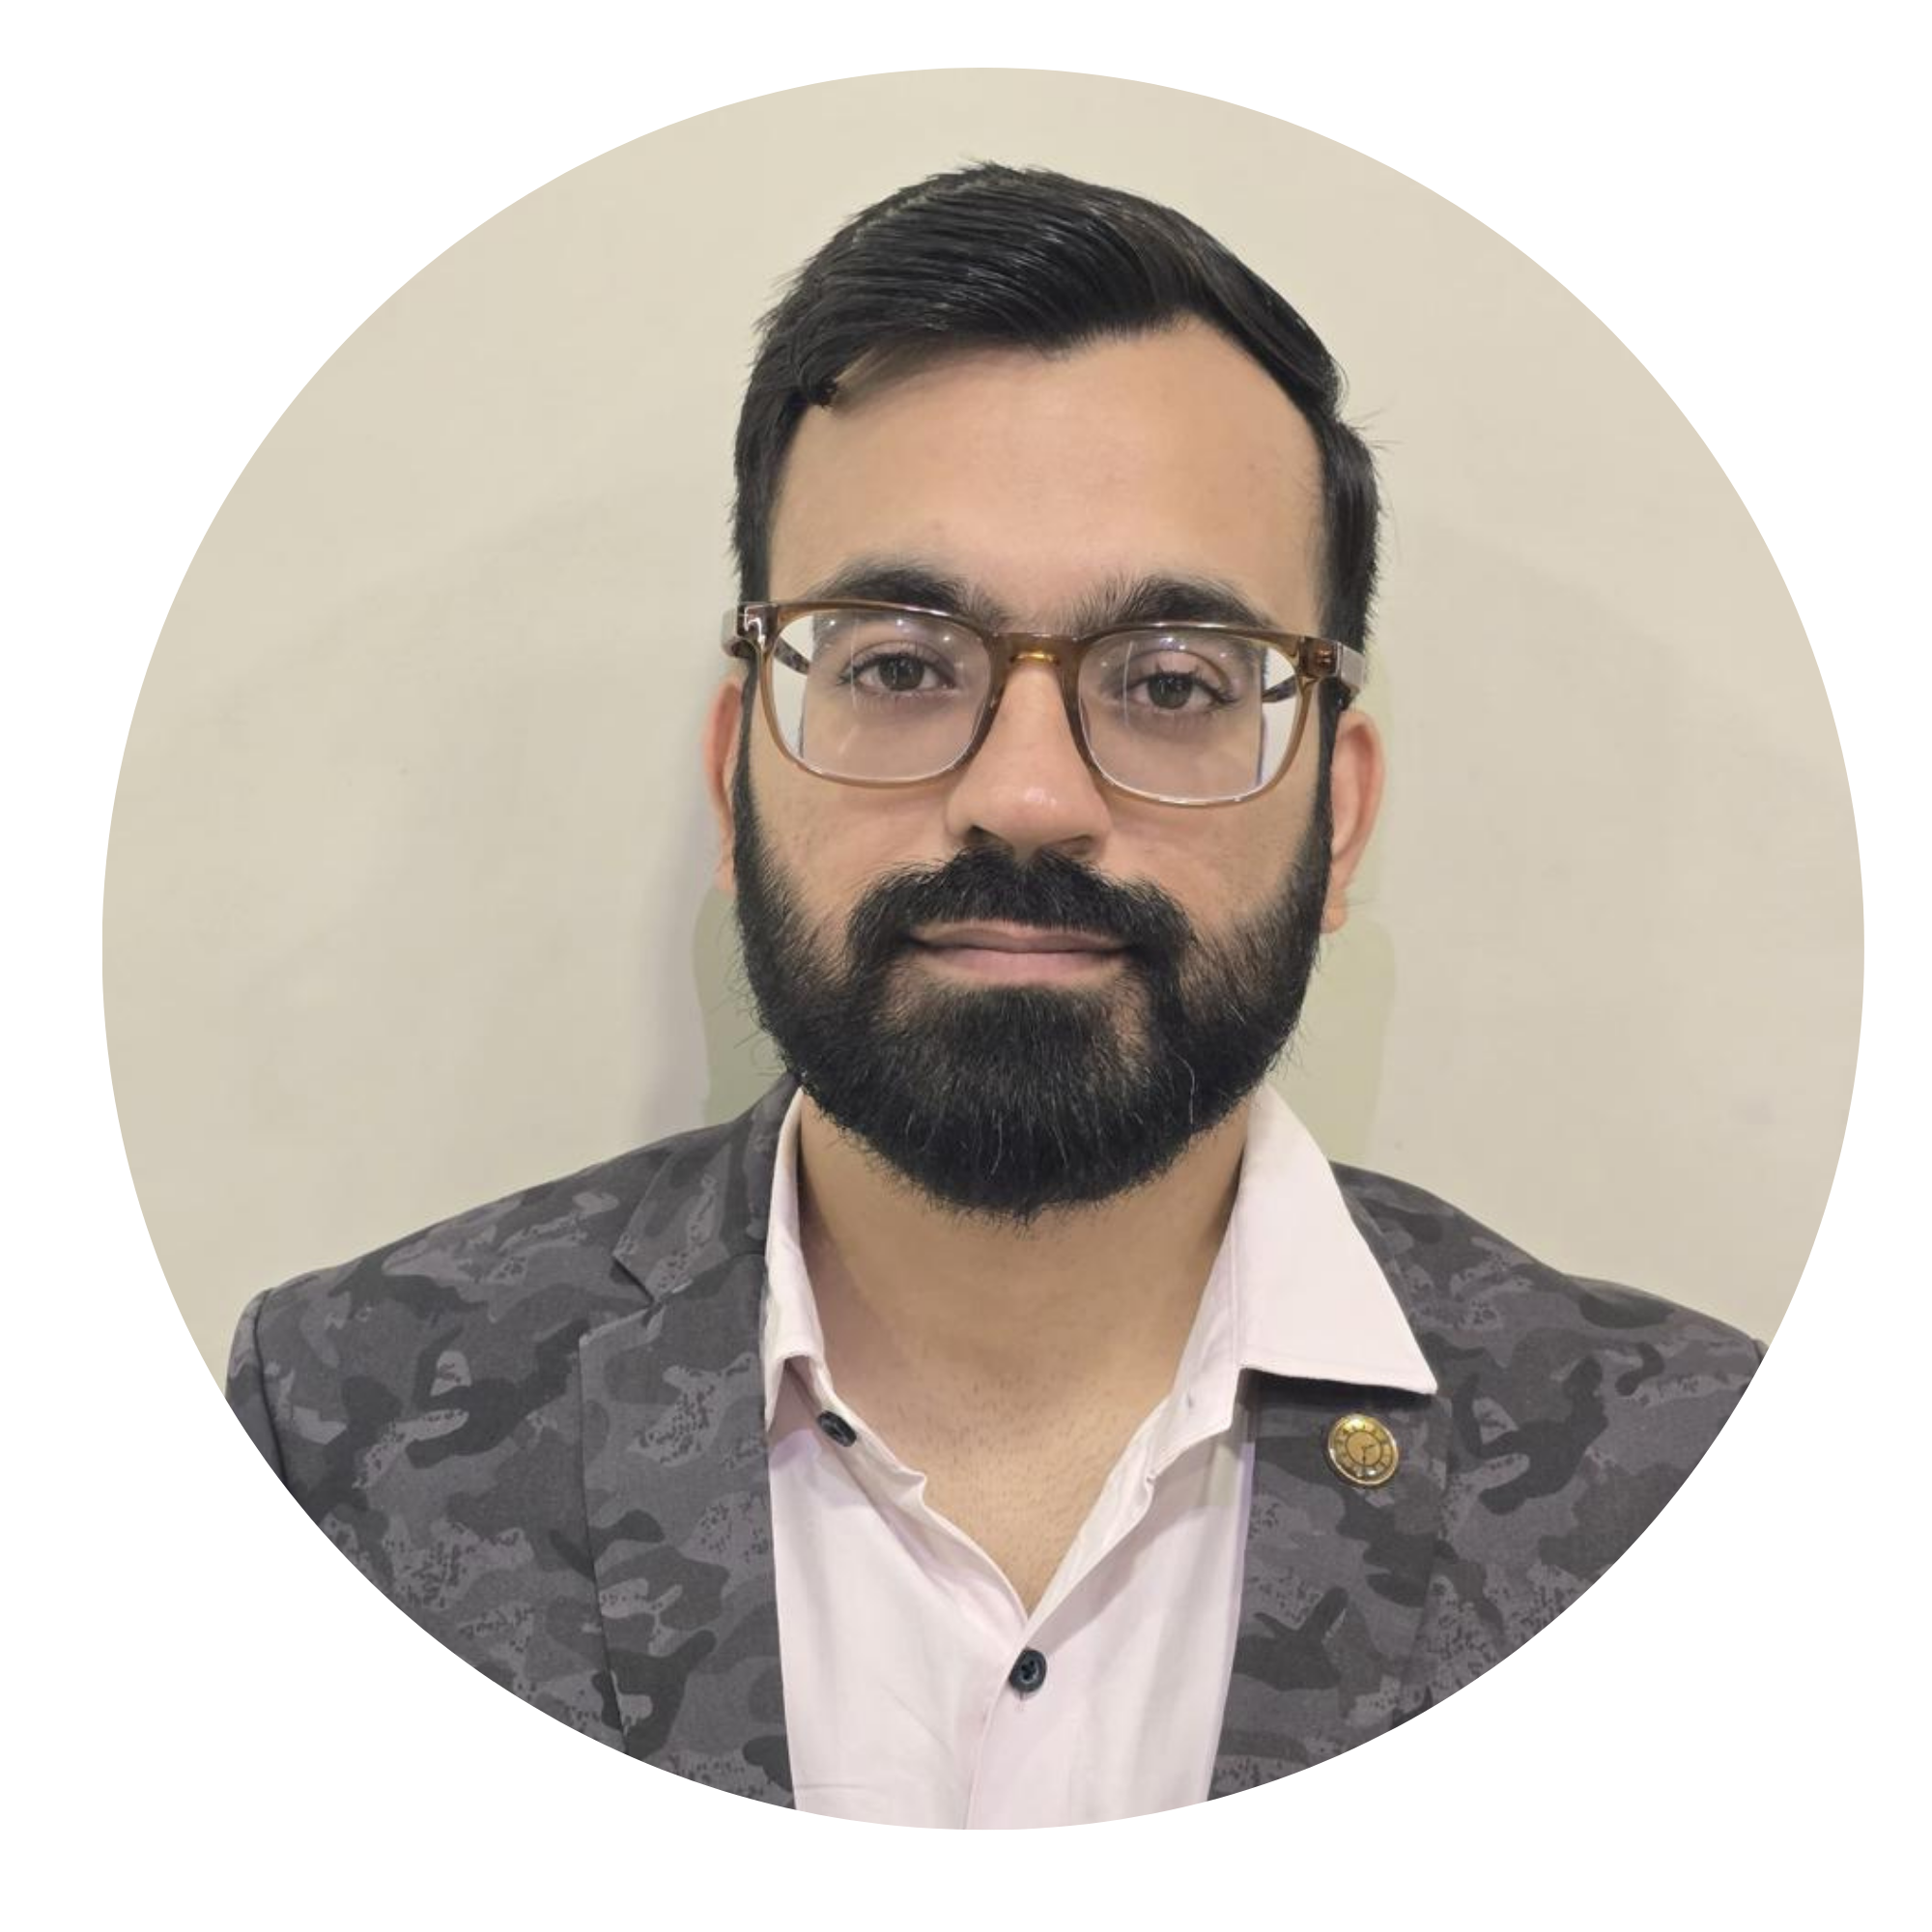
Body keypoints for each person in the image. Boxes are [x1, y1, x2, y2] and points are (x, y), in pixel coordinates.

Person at [225, 161, 1763, 1825]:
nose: (1026, 796)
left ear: (1341, 817)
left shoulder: (1656, 1464)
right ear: (740, 774)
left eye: (1174, 681)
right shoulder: (350, 1435)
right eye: (897, 664)